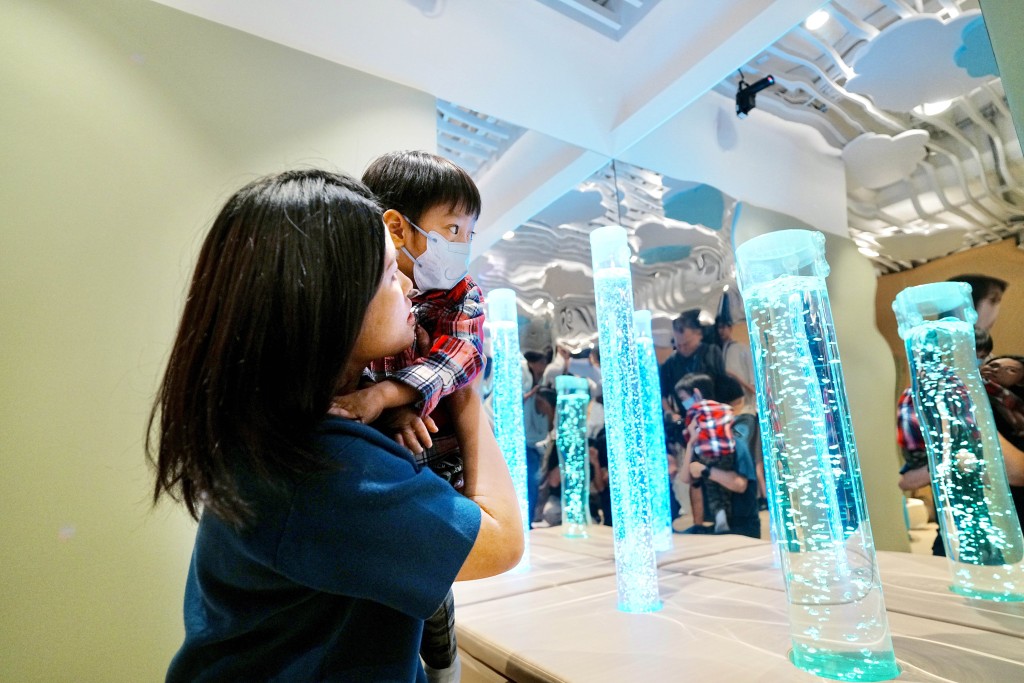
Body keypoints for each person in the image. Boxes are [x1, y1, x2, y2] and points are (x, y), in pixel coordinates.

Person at [147, 170, 523, 682]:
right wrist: (465, 387)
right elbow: (501, 543)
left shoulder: (272, 431)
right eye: (392, 276)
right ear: (336, 300)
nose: (410, 286)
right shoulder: (328, 467)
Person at [330, 150, 485, 678]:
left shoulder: (462, 294)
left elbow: (460, 357)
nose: (463, 243)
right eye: (454, 228)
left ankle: (441, 658)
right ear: (397, 226)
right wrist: (384, 406)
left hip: (438, 452)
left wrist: (389, 396)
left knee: (429, 573)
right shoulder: (368, 295)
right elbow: (352, 374)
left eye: (469, 231)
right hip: (384, 446)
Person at [674, 373, 737, 533]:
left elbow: (685, 477)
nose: (683, 403)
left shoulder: (695, 412)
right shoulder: (724, 409)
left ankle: (717, 517)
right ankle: (722, 516)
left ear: (696, 393)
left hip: (706, 456)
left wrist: (688, 438)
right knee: (721, 490)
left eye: (683, 398)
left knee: (709, 484)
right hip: (727, 454)